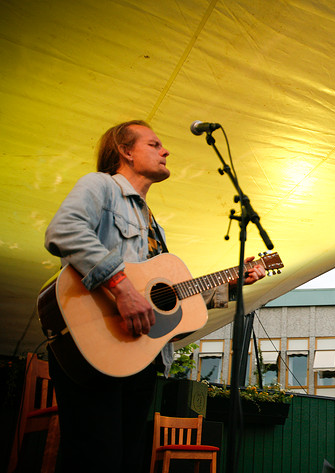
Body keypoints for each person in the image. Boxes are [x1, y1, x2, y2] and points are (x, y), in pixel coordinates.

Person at [44, 120, 266, 472]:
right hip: (95, 343)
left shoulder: (153, 225)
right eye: (154, 144)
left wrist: (233, 284)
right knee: (94, 458)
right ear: (126, 151)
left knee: (127, 460)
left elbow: (172, 300)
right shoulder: (100, 186)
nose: (166, 151)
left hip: (140, 356)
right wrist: (121, 287)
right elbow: (64, 230)